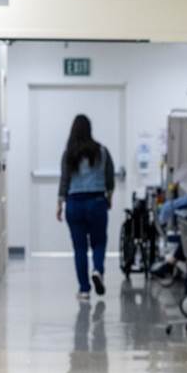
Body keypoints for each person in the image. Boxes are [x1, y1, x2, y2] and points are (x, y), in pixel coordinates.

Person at [56, 115, 115, 300]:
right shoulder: (102, 151)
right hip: (97, 202)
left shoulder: (69, 154)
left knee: (80, 248)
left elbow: (64, 180)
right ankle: (98, 270)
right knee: (99, 242)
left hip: (74, 203)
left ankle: (84, 290)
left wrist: (59, 204)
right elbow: (110, 179)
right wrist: (109, 198)